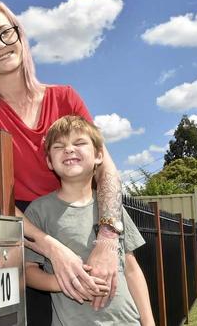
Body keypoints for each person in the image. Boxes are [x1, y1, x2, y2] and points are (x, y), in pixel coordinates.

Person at [0, 0, 125, 324]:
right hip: (25, 229)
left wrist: (107, 239)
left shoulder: (65, 97)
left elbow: (107, 170)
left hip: (80, 216)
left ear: (20, 35)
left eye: (6, 33)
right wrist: (52, 249)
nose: (0, 45)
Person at [24, 115, 154, 326]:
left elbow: (131, 269)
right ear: (49, 161)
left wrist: (148, 322)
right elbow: (28, 271)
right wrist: (62, 282)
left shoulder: (112, 210)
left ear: (99, 156)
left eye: (79, 143)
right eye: (59, 146)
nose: (69, 149)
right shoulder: (39, 211)